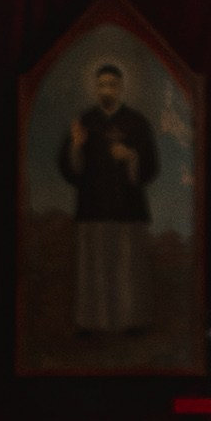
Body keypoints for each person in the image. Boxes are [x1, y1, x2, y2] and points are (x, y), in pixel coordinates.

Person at [59, 55, 158, 334]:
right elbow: (69, 170)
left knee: (128, 267)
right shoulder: (85, 121)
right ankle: (92, 324)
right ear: (96, 88)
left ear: (121, 87)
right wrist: (76, 147)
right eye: (101, 85)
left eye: (112, 85)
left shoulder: (137, 123)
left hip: (128, 208)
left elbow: (151, 167)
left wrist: (132, 157)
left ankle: (132, 322)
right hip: (93, 207)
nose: (106, 90)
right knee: (94, 268)